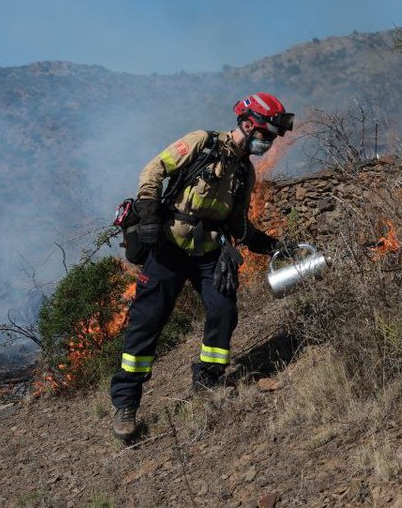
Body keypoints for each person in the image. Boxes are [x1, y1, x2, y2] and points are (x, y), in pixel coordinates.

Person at [109, 93, 294, 442]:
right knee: (147, 322)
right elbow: (153, 169)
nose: (266, 143)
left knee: (224, 311)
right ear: (247, 123)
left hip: (210, 253)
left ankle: (208, 381)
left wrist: (271, 246)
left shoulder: (245, 171)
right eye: (265, 134)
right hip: (169, 248)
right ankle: (126, 403)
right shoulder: (200, 142)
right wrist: (148, 213)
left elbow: (239, 225)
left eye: (270, 138)